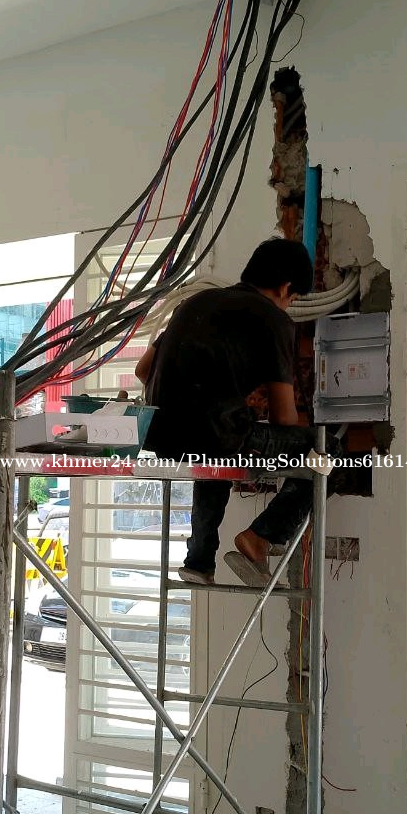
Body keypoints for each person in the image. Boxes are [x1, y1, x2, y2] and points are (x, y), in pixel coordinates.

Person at [135, 238, 323, 587]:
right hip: (213, 435)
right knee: (328, 451)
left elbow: (143, 371)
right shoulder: (274, 320)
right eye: (293, 298)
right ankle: (262, 536)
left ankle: (199, 560)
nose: (289, 304)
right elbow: (284, 418)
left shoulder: (194, 303)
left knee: (218, 445)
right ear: (285, 288)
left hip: (159, 436)